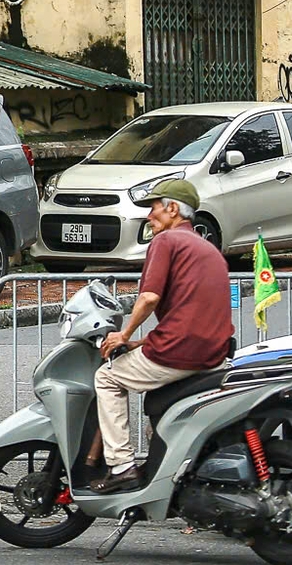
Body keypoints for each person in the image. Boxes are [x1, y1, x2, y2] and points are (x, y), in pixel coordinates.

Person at [86, 179, 234, 494]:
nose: (149, 217)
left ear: (172, 209)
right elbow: (188, 313)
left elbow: (149, 298)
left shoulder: (166, 242)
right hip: (214, 354)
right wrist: (139, 343)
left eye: (154, 208)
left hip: (178, 351)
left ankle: (122, 467)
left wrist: (123, 335)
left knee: (107, 378)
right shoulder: (208, 249)